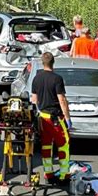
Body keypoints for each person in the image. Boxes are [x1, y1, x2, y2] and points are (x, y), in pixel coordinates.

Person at [31, 51, 72, 182]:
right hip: (56, 118)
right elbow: (62, 100)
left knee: (46, 145)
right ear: (53, 63)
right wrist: (68, 118)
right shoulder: (57, 79)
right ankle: (64, 175)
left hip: (43, 118)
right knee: (63, 144)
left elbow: (34, 100)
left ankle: (48, 173)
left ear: (42, 63)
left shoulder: (36, 78)